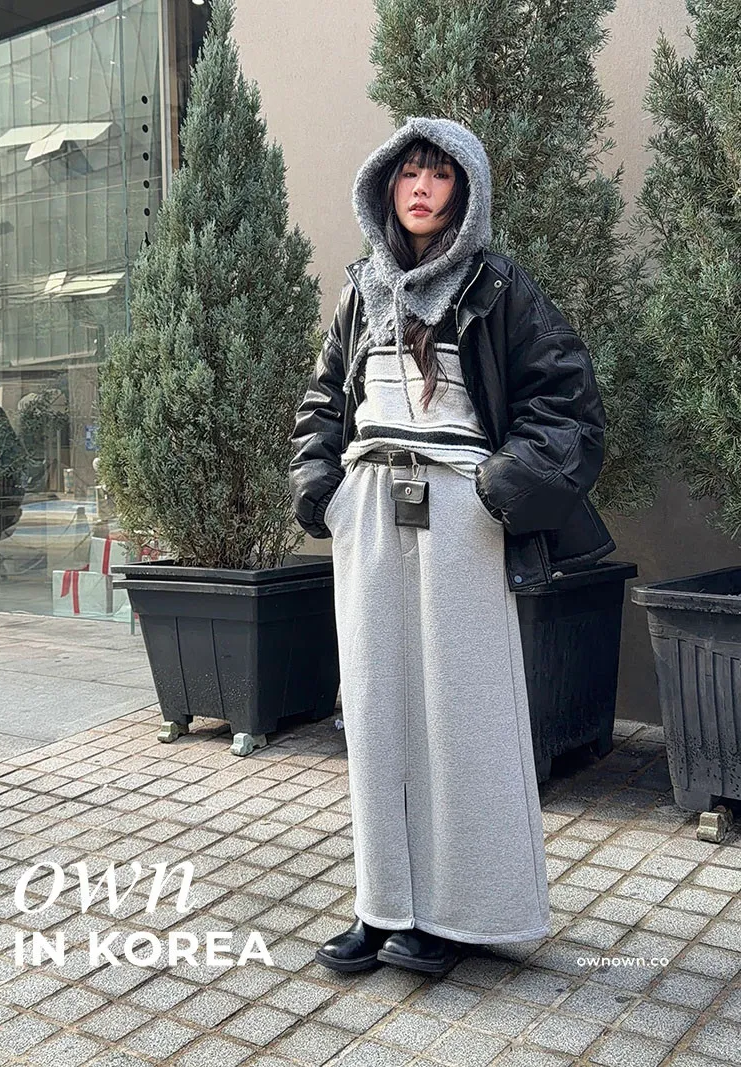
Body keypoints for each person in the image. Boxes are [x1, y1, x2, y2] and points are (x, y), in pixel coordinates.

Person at [288, 117, 615, 978]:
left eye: (439, 174)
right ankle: (382, 905)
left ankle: (456, 913)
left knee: (462, 718)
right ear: (385, 188)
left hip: (462, 514)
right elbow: (324, 402)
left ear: (465, 190)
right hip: (370, 510)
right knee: (375, 712)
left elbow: (568, 404)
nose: (422, 188)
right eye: (408, 174)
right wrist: (322, 489)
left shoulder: (498, 286)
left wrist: (495, 488)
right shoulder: (361, 289)